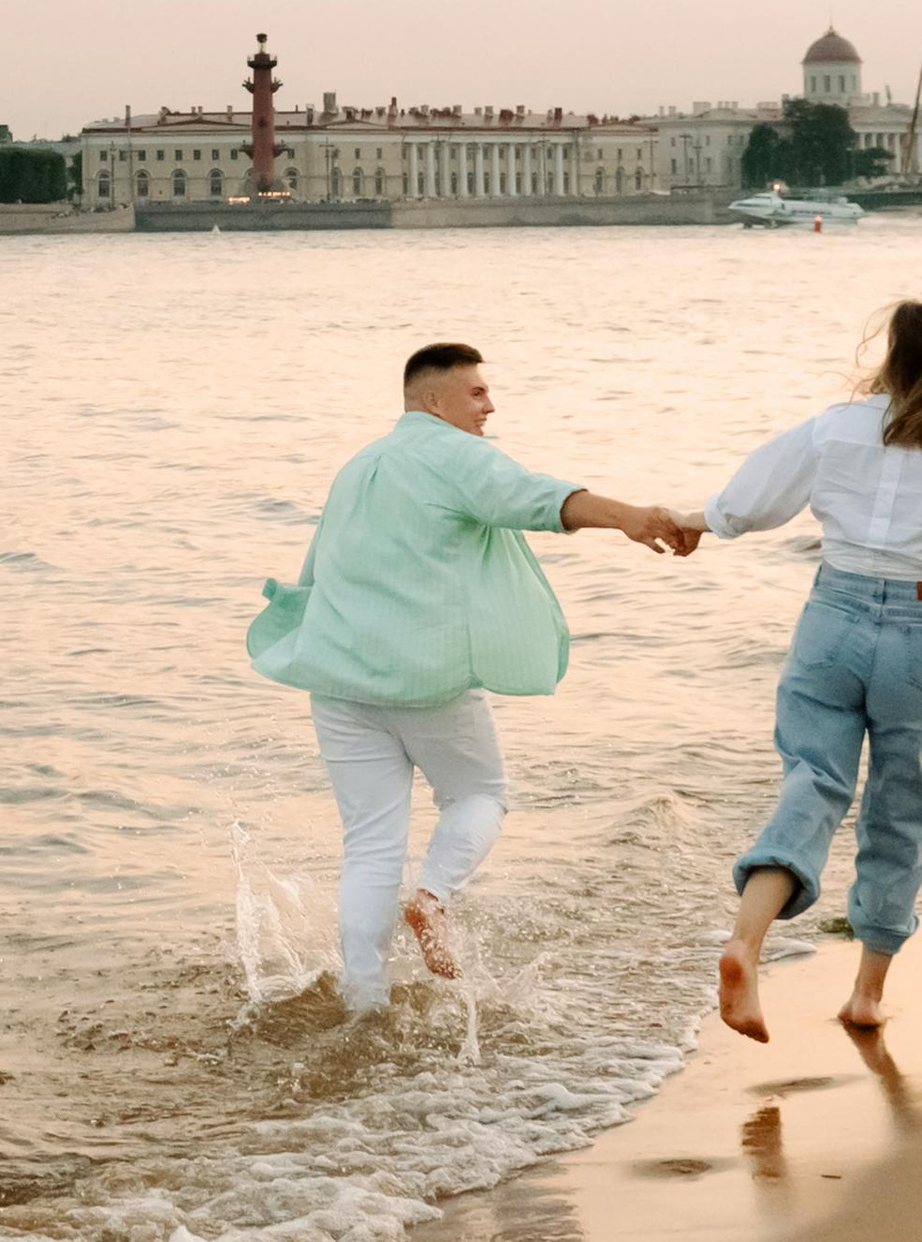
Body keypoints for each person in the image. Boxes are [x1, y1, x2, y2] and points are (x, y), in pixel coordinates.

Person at [249, 341, 698, 1011]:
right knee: (480, 794)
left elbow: (318, 567)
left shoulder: (357, 466)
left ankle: (363, 1004)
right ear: (435, 401)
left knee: (370, 845)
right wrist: (631, 518)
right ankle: (431, 900)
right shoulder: (453, 455)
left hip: (338, 677)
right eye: (478, 393)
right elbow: (538, 499)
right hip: (424, 679)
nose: (490, 405)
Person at [706, 295, 922, 1043]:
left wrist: (694, 522)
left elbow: (746, 503)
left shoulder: (838, 426)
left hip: (830, 618)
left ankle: (747, 940)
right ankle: (866, 995)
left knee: (814, 781)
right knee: (903, 808)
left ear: (896, 358)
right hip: (921, 630)